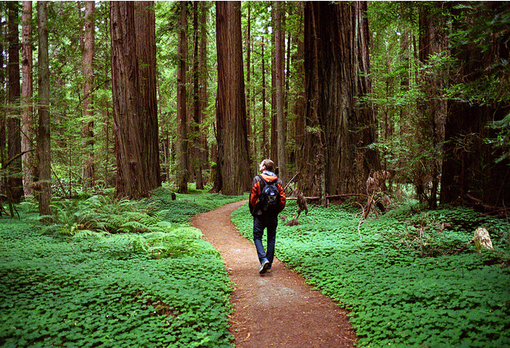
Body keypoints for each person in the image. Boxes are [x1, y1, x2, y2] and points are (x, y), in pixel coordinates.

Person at [249, 159, 286, 274]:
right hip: (272, 215)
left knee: (257, 237)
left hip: (260, 215)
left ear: (264, 167)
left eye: (261, 164)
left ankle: (263, 260)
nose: (260, 165)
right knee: (271, 238)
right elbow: (283, 199)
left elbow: (252, 198)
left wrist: (255, 211)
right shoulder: (278, 180)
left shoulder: (257, 179)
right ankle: (268, 264)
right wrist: (276, 211)